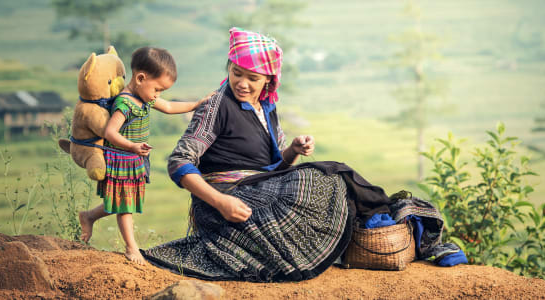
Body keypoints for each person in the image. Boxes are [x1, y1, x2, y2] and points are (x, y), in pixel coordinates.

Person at [142, 28, 459, 281]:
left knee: (330, 183)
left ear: (268, 80)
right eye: (237, 73)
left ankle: (408, 230)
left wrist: (292, 150)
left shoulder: (267, 110)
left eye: (252, 78)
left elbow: (273, 168)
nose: (242, 83)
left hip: (259, 191)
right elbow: (179, 162)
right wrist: (220, 202)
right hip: (226, 199)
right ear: (229, 68)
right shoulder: (216, 105)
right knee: (326, 177)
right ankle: (394, 223)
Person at [79, 46, 209, 265]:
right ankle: (131, 248)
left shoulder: (145, 98)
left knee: (123, 201)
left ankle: (89, 216)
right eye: (157, 89)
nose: (158, 95)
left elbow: (168, 107)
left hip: (133, 159)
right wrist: (132, 146)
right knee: (125, 206)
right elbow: (111, 132)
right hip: (121, 159)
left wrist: (196, 105)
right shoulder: (125, 103)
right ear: (140, 78)